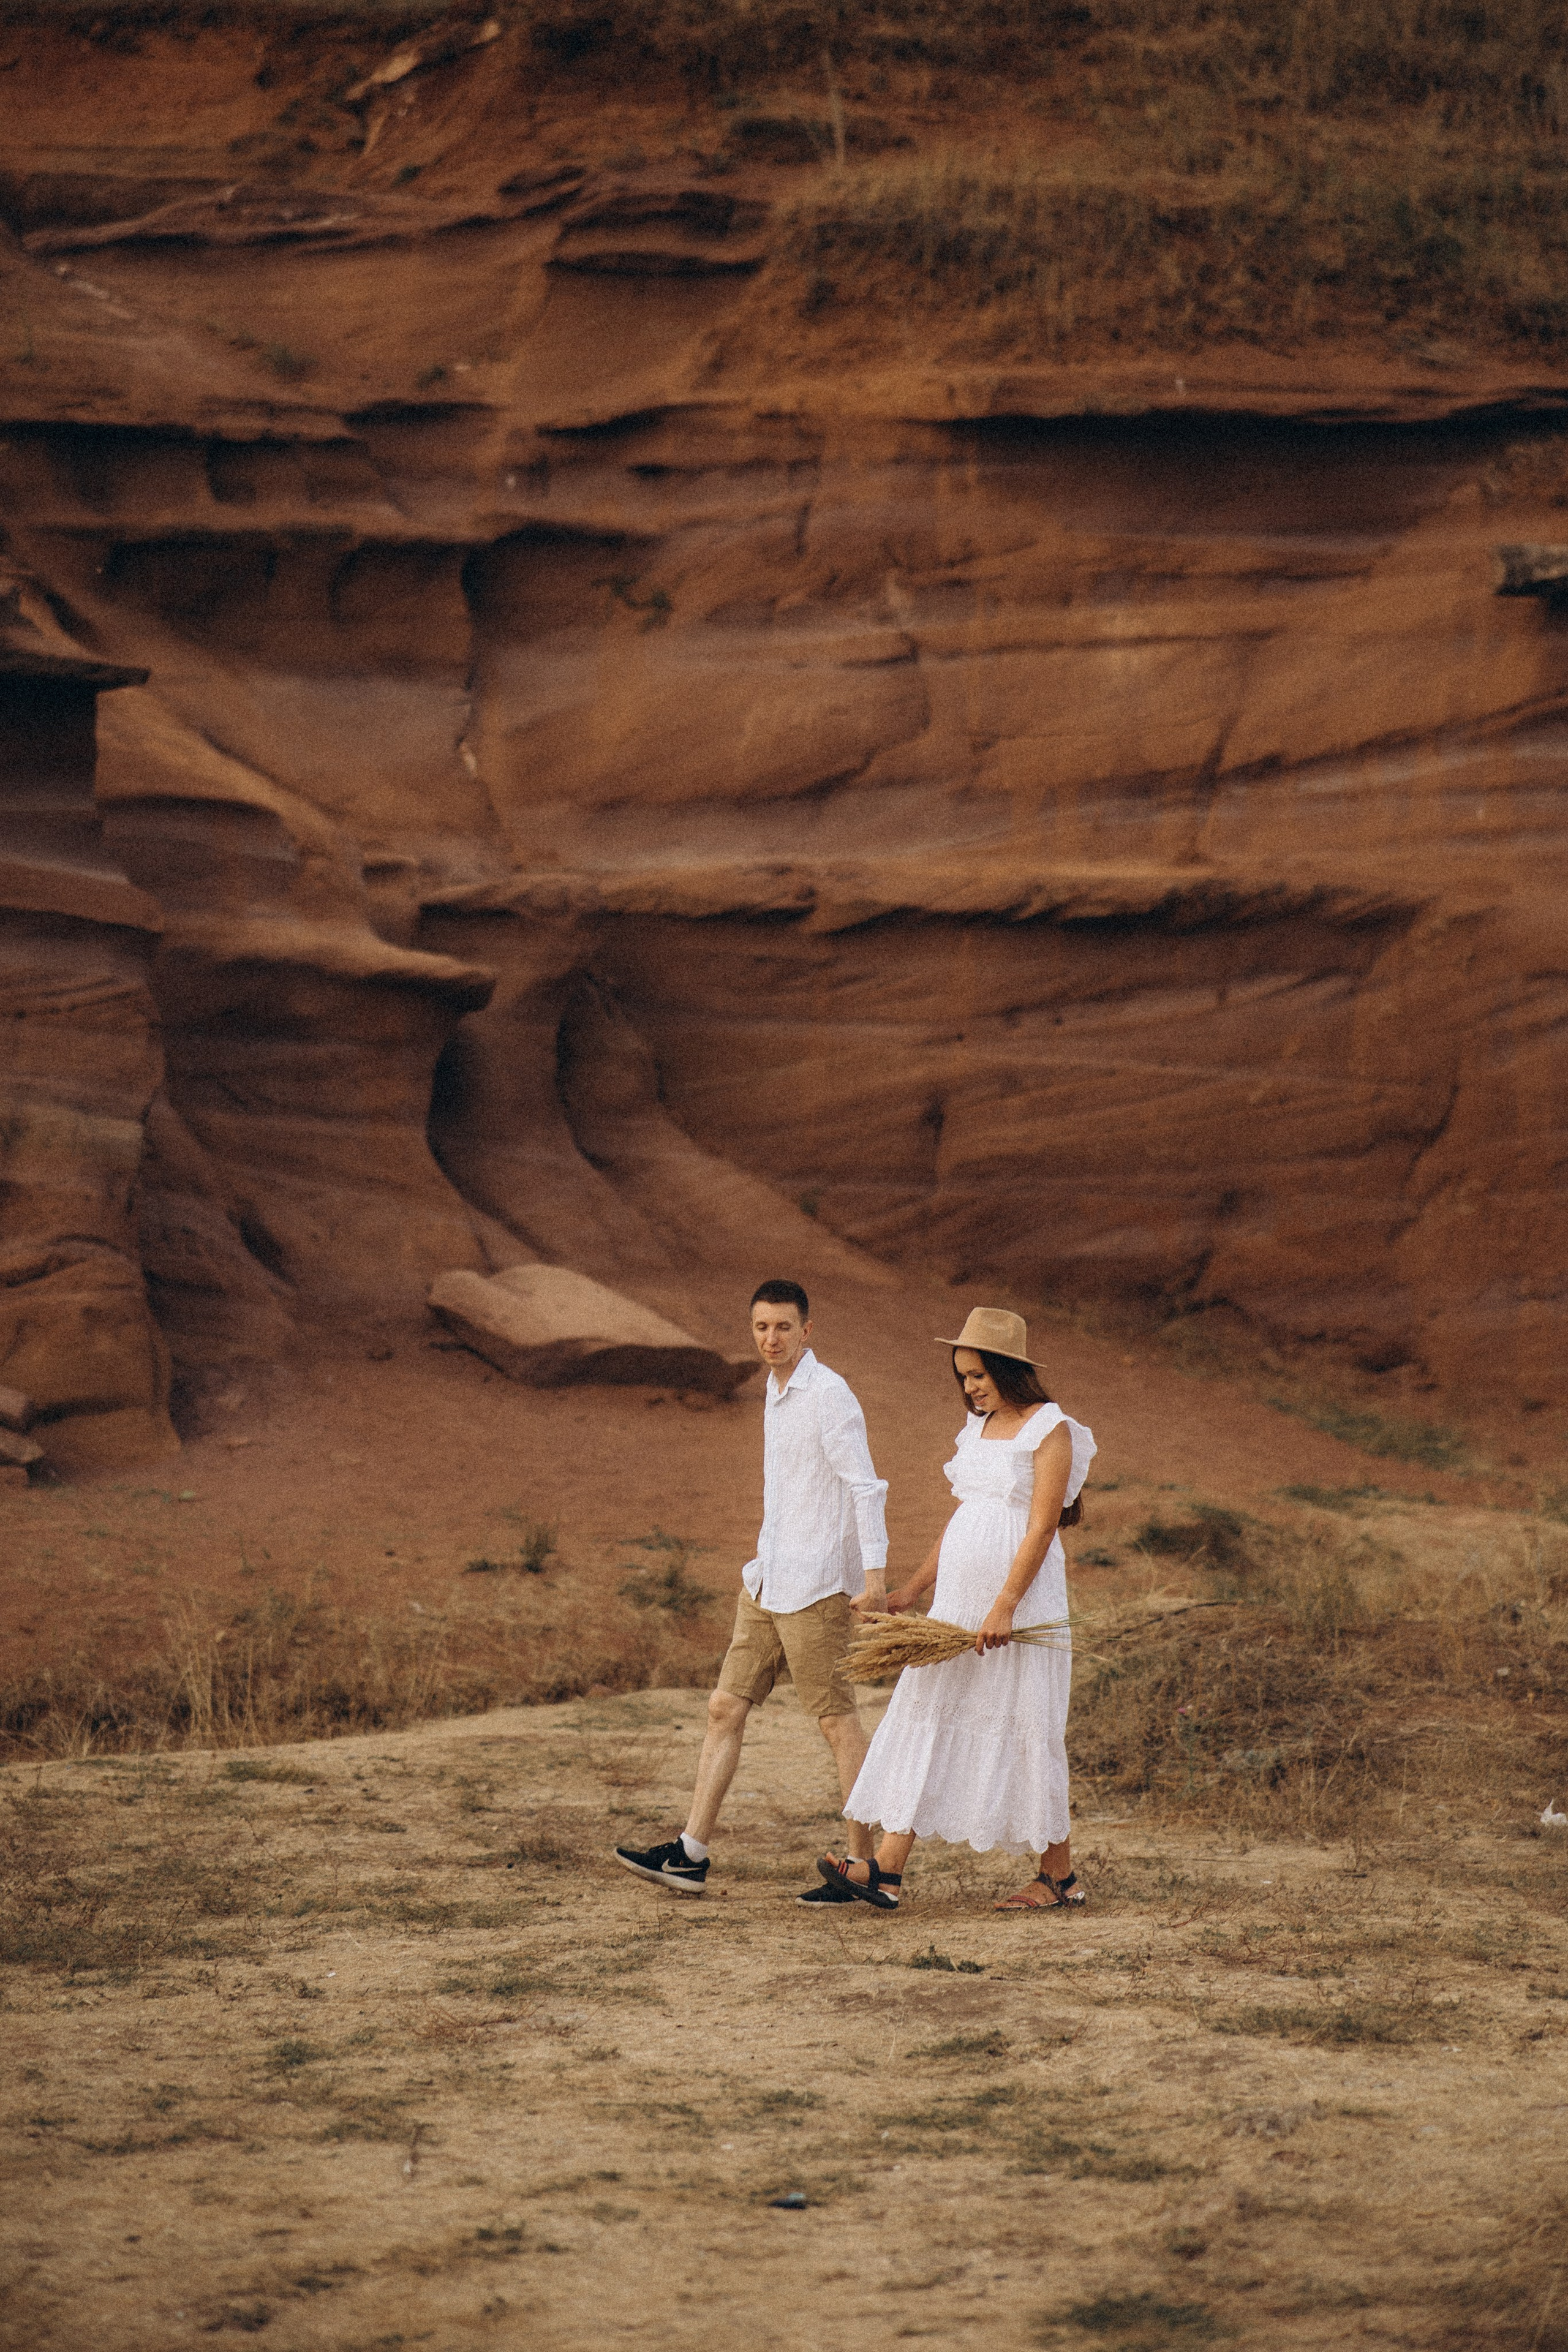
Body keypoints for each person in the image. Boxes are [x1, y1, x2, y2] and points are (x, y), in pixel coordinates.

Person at [613, 1278, 889, 1904]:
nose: (771, 1338)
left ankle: (862, 1867)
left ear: (806, 1331)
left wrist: (873, 1580)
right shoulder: (774, 1388)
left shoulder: (829, 1394)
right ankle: (690, 1855)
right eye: (761, 1327)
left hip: (817, 1586)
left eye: (784, 1327)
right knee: (724, 1707)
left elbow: (865, 1488)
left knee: (836, 1721)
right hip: (768, 1580)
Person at [818, 1306, 1095, 1913]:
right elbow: (966, 1516)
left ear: (1007, 1369)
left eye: (977, 1375)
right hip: (958, 1605)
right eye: (962, 1376)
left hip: (1018, 1605)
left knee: (1027, 1724)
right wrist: (914, 1590)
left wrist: (1004, 1607)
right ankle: (887, 1870)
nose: (969, 1387)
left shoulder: (1050, 1429)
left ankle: (1059, 1878)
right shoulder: (979, 1428)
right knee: (927, 1711)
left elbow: (1042, 1527)